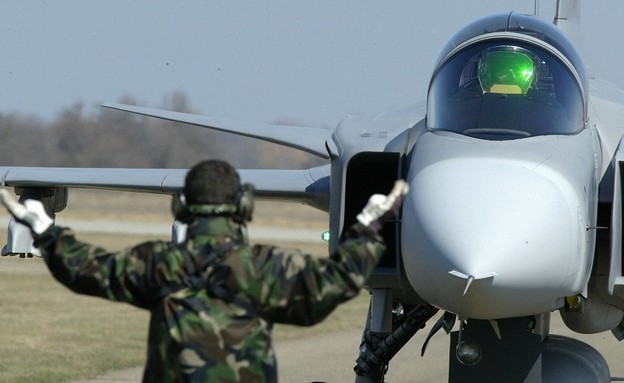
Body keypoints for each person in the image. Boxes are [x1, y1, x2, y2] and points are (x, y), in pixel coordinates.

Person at [0, 159, 408, 383]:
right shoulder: (263, 267)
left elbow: (86, 269)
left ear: (181, 208)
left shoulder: (159, 264)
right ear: (243, 208)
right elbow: (329, 287)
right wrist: (367, 229)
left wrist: (46, 232)